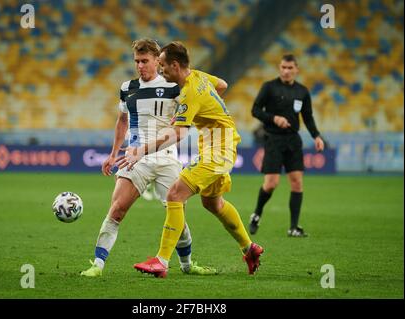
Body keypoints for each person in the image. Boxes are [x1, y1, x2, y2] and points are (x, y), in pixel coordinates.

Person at [117, 41, 264, 278]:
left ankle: (161, 261)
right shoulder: (198, 76)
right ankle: (250, 248)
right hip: (220, 145)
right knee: (212, 203)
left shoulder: (188, 94)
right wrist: (206, 109)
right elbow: (222, 85)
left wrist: (141, 150)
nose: (161, 70)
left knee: (174, 194)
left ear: (175, 65)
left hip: (218, 151)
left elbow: (178, 134)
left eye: (163, 65)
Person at [80, 38, 217, 277]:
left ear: (157, 60)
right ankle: (97, 265)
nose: (140, 66)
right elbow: (122, 120)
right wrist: (113, 154)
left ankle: (187, 265)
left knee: (178, 218)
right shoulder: (127, 88)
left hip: (166, 158)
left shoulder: (176, 85)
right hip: (135, 158)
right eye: (137, 61)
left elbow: (195, 106)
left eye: (145, 61)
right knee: (117, 209)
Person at [249, 54, 325, 237]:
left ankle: (293, 227)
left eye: (290, 68)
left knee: (297, 182)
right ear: (279, 68)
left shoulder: (302, 91)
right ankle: (257, 214)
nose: (286, 71)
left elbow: (307, 116)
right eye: (283, 67)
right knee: (271, 183)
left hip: (293, 140)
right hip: (274, 139)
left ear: (296, 69)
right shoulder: (269, 87)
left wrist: (316, 136)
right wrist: (274, 118)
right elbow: (255, 110)